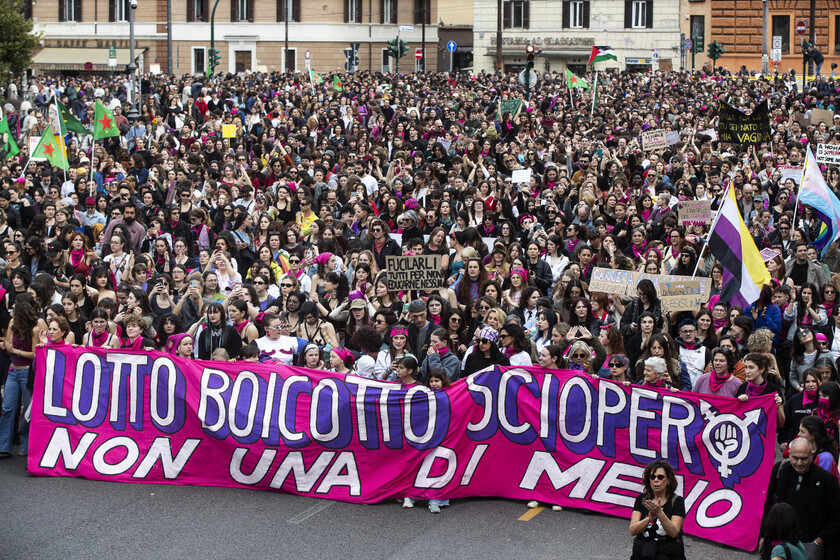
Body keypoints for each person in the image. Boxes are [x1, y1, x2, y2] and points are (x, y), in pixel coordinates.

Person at [763, 438, 840, 559]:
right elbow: (769, 505)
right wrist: (764, 535)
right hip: (779, 540)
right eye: (795, 458)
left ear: (812, 455)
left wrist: (819, 541)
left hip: (810, 543)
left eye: (804, 458)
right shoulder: (780, 470)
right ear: (789, 455)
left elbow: (837, 513)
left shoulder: (827, 480)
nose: (799, 463)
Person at [629, 459, 686, 560]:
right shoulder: (641, 499)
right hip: (644, 553)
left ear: (668, 480)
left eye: (660, 477)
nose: (656, 480)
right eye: (652, 477)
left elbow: (674, 532)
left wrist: (660, 513)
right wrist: (649, 518)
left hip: (668, 554)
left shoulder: (677, 501)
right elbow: (633, 530)